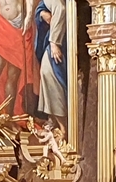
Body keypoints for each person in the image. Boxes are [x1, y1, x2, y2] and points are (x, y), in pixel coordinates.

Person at [34, 0, 66, 129]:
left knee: (50, 74)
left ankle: (63, 127)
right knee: (46, 73)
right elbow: (42, 8)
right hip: (52, 40)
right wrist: (42, 13)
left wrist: (54, 43)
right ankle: (53, 119)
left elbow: (61, 8)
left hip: (60, 42)